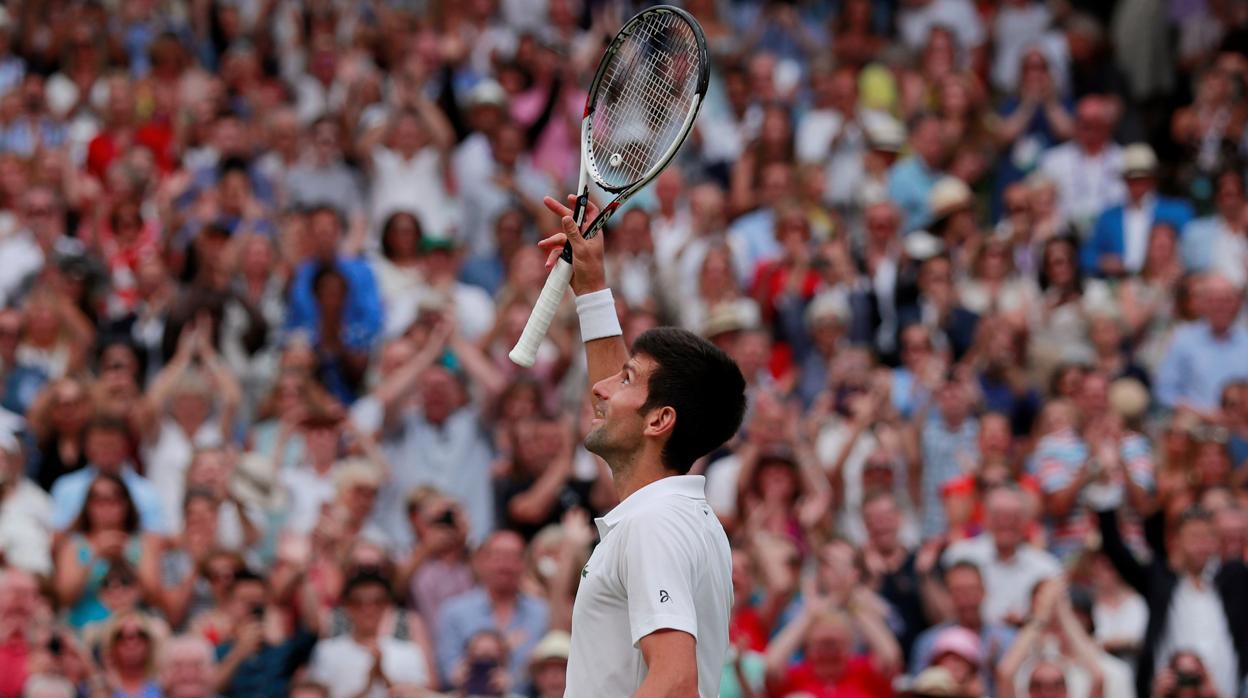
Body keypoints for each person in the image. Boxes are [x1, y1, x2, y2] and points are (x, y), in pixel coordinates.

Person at [535, 194, 748, 697]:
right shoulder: (676, 514)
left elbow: (674, 682)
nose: (601, 389)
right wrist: (590, 284)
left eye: (626, 380)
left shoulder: (653, 526)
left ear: (659, 421)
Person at [1093, 496, 1248, 698]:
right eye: (1194, 537)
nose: (1201, 545)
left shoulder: (1234, 579)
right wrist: (1105, 495)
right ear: (1177, 540)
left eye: (1207, 537)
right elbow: (1117, 553)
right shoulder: (1161, 581)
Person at [307, 571, 429, 698]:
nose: (368, 609)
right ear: (347, 606)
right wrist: (367, 686)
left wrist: (382, 675)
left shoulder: (408, 652)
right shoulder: (326, 652)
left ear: (387, 606)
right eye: (358, 602)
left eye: (377, 602)